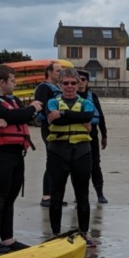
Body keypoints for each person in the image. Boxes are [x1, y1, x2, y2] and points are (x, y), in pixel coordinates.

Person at [0, 65, 42, 253]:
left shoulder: (13, 100)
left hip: (16, 155)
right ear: (1, 82)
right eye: (12, 81)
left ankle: (7, 239)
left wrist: (9, 119)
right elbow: (17, 114)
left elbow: (24, 117)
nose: (15, 84)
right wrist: (29, 109)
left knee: (10, 199)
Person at [45, 68, 97, 246]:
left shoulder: (86, 103)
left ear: (78, 84)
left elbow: (88, 115)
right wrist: (77, 118)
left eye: (73, 83)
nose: (69, 86)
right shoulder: (52, 102)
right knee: (56, 194)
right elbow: (55, 120)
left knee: (82, 195)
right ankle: (55, 233)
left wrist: (63, 114)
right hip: (57, 152)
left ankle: (84, 232)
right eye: (65, 83)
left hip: (81, 152)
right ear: (60, 84)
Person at [77, 69, 109, 204]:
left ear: (87, 82)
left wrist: (104, 135)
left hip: (92, 135)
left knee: (95, 165)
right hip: (76, 135)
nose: (80, 82)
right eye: (77, 80)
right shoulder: (69, 97)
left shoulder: (92, 96)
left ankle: (100, 193)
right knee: (78, 167)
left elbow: (100, 116)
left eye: (83, 79)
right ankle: (79, 194)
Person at [34, 60, 63, 208]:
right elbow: (42, 108)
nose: (60, 73)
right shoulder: (43, 88)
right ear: (49, 72)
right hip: (49, 128)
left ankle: (55, 195)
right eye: (58, 71)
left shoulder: (58, 88)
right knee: (52, 160)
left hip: (59, 128)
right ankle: (46, 196)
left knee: (59, 161)